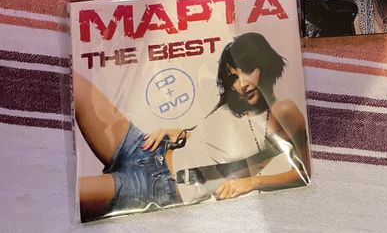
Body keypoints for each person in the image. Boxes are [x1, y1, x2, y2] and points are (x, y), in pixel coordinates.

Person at [74, 32, 310, 220]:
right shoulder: (235, 102)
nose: (242, 85)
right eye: (234, 77)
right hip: (147, 148)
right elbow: (212, 142)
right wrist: (179, 132)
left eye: (248, 71)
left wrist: (251, 182)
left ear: (264, 64)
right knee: (73, 82)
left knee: (67, 198)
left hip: (159, 187)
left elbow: (303, 174)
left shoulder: (283, 111)